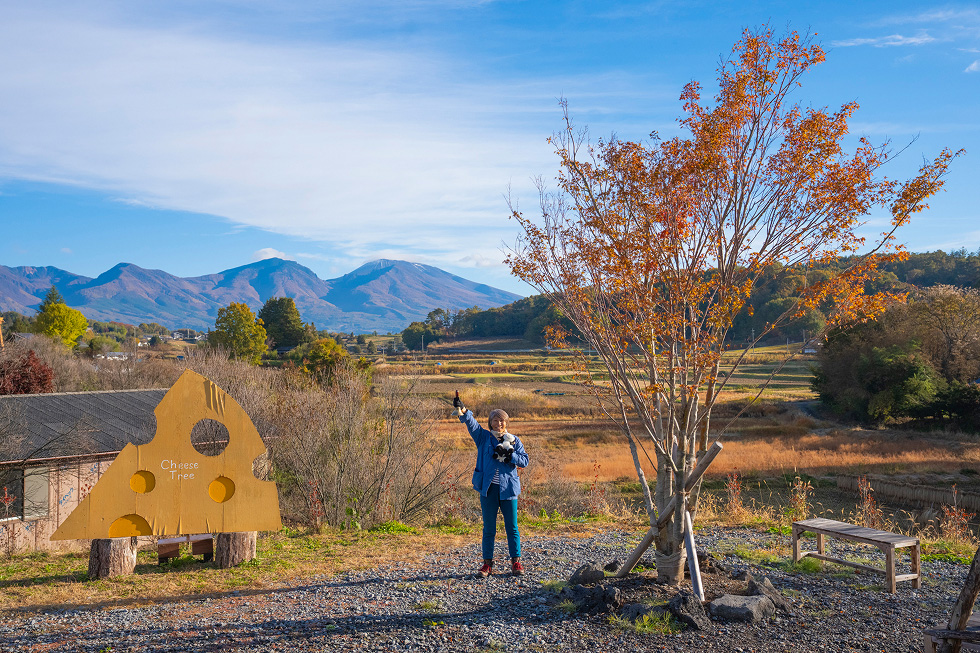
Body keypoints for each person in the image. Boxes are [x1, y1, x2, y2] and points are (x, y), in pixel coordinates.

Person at [453, 392, 528, 577]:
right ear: (490, 423)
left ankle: (516, 563)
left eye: (502, 421)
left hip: (509, 489)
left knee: (512, 527)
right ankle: (487, 564)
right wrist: (463, 409)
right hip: (488, 489)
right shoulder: (484, 438)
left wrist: (512, 455)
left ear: (506, 423)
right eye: (495, 420)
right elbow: (471, 424)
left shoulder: (514, 441)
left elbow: (525, 461)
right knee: (489, 528)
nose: (499, 423)